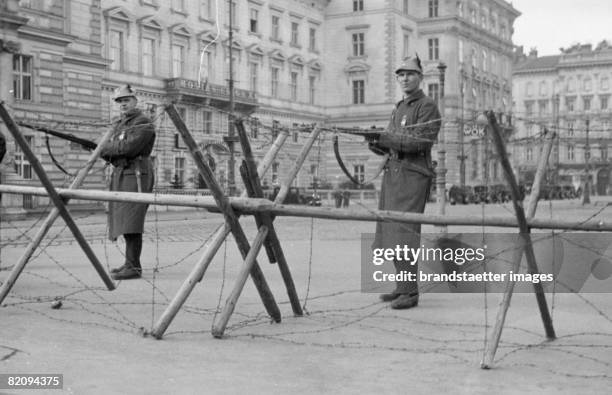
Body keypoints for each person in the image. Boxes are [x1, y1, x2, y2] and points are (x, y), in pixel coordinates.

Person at [368, 56, 441, 309]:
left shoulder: (427, 106)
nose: (405, 78)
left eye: (410, 74)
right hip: (394, 175)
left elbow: (421, 143)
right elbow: (391, 145)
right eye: (401, 75)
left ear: (420, 77)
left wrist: (386, 138)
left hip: (413, 176)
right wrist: (375, 141)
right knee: (392, 232)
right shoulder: (399, 107)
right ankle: (402, 287)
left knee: (405, 234)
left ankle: (410, 293)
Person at [100, 84, 156, 280]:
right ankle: (129, 263)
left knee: (132, 220)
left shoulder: (143, 122)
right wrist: (106, 149)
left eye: (126, 100)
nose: (123, 105)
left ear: (135, 101)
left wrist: (105, 147)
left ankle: (134, 266)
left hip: (137, 174)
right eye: (120, 102)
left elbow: (129, 148)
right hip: (123, 172)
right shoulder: (121, 124)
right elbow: (115, 151)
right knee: (124, 219)